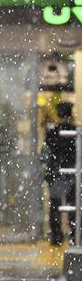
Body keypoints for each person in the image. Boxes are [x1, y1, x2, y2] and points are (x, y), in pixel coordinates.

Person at [44, 102, 76, 245]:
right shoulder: (76, 131)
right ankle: (74, 234)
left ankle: (56, 236)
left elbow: (47, 151)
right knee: (72, 204)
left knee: (55, 205)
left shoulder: (53, 132)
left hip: (56, 172)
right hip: (72, 172)